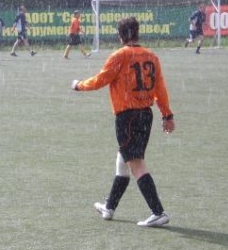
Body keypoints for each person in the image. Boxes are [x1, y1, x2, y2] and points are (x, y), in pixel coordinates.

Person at [70, 16, 175, 227]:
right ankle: (109, 207)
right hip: (146, 115)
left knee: (135, 164)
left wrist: (78, 85)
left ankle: (158, 212)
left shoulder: (119, 56)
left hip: (127, 117)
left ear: (121, 35)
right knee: (123, 160)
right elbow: (160, 88)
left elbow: (100, 80)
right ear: (137, 33)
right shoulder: (151, 56)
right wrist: (167, 115)